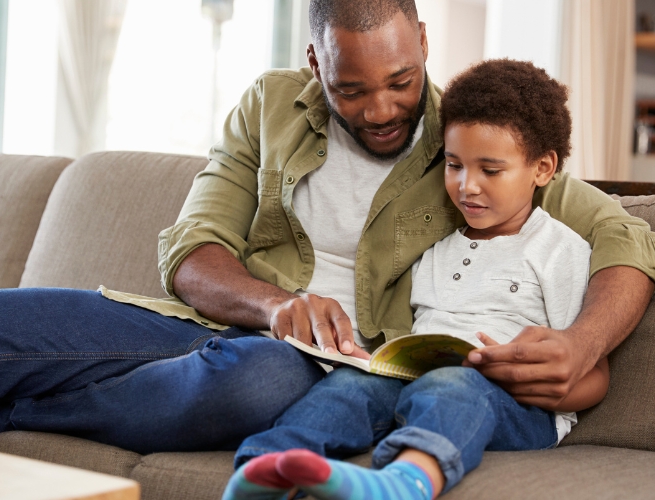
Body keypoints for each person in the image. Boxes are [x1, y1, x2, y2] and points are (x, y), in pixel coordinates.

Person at [0, 0, 655, 456]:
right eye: (352, 89)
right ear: (315, 64)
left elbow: (630, 239)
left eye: (401, 81)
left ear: (423, 40)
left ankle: (11, 417)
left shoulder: (476, 142)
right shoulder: (269, 110)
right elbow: (190, 254)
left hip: (321, 371)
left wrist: (584, 344)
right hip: (206, 328)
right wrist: (273, 304)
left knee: (262, 385)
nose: (381, 109)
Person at [223, 59, 605, 500]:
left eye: (490, 170)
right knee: (349, 385)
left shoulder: (559, 249)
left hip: (516, 407)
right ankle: (268, 469)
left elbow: (594, 375)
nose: (467, 186)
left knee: (454, 385)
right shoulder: (435, 249)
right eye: (455, 164)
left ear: (542, 169)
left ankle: (407, 482)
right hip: (416, 383)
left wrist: (542, 383)